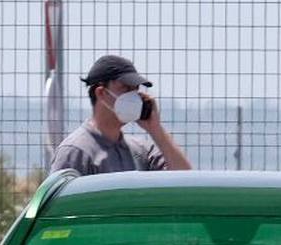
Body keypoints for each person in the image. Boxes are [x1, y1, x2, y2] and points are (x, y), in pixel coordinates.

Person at [49, 54, 192, 176]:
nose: (133, 96)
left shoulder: (141, 151)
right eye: (125, 88)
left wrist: (156, 129)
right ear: (102, 93)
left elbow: (185, 181)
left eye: (135, 89)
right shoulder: (76, 151)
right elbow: (58, 206)